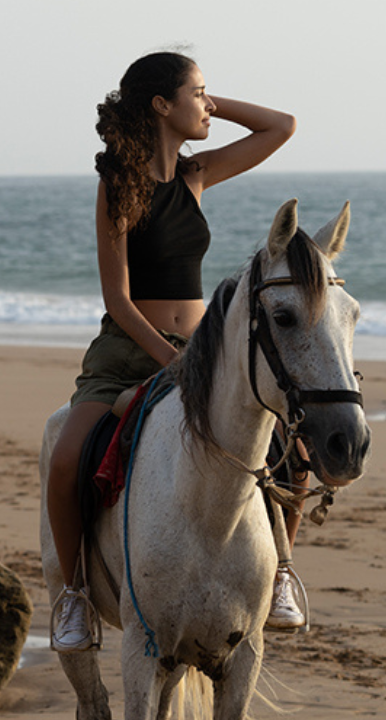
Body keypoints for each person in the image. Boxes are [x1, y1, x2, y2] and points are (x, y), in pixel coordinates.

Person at [46, 51, 302, 651]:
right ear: (162, 105)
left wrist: (211, 99)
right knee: (66, 460)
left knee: (287, 443)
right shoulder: (120, 185)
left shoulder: (197, 175)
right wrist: (170, 362)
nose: (209, 105)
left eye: (210, 94)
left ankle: (282, 572)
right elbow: (118, 299)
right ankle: (76, 597)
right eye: (199, 94)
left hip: (201, 348)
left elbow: (281, 126)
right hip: (129, 351)